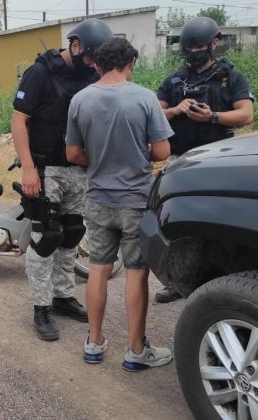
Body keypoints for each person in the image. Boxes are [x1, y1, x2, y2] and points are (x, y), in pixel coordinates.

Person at [66, 38, 174, 370]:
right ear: (131, 64)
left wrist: (97, 160)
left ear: (97, 65)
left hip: (98, 199)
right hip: (136, 201)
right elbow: (162, 152)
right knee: (136, 273)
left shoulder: (80, 100)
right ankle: (136, 351)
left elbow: (72, 154)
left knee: (98, 269)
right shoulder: (144, 98)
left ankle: (95, 343)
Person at [11, 18, 114, 341]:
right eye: (91, 58)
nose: (94, 65)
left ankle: (61, 296)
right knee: (47, 237)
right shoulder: (40, 72)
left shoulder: (90, 75)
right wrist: (28, 168)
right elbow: (18, 121)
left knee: (71, 233)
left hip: (77, 169)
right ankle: (41, 307)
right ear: (75, 45)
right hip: (45, 169)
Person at [154, 16, 255, 303]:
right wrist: (175, 110)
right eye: (190, 47)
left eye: (199, 46)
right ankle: (177, 281)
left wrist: (212, 116)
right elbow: (153, 113)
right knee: (179, 222)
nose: (194, 52)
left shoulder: (231, 76)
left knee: (220, 221)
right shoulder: (174, 79)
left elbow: (246, 114)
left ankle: (222, 281)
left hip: (220, 161)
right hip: (181, 160)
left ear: (214, 44)